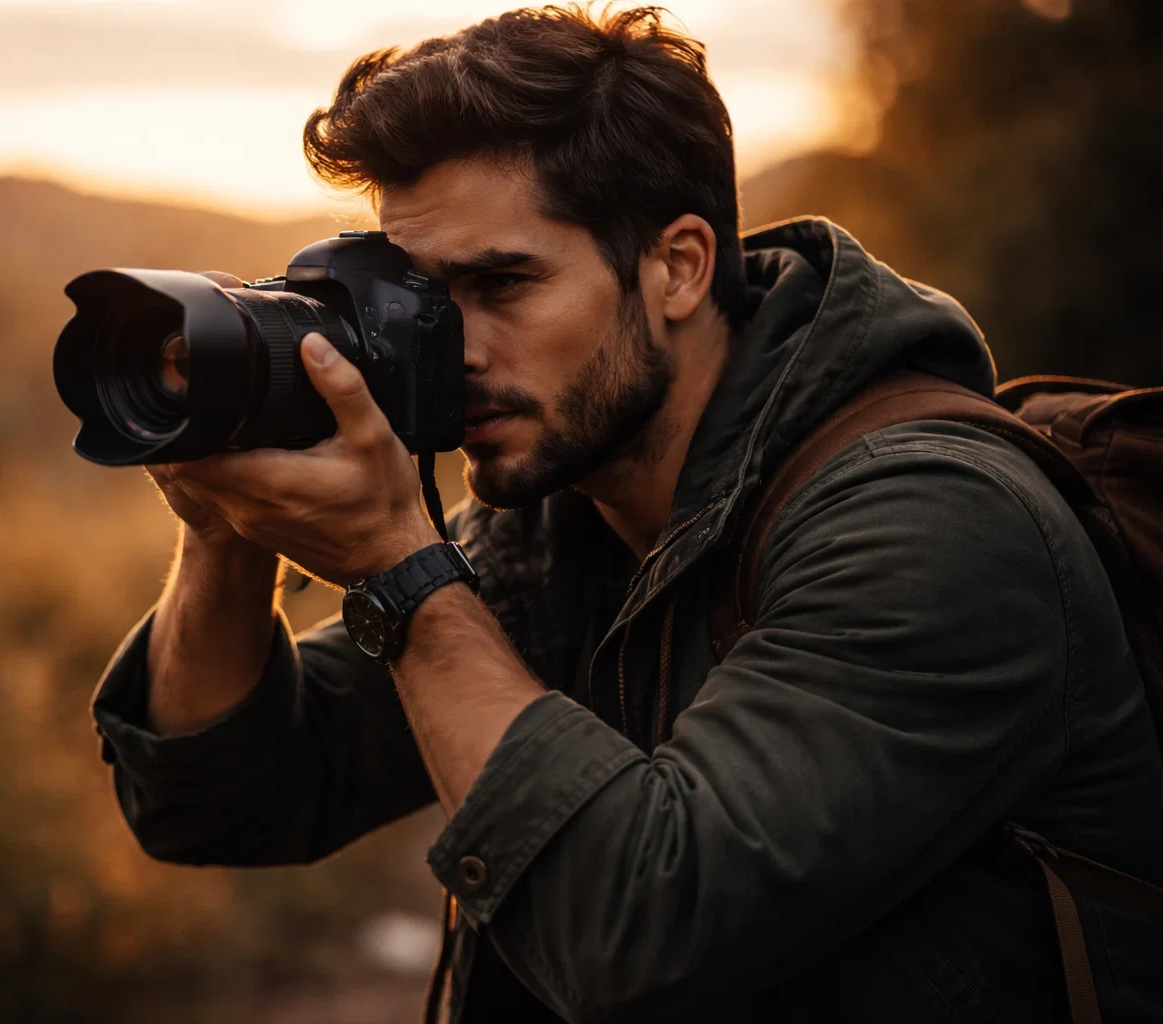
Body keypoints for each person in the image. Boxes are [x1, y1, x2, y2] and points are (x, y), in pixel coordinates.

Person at [90, 6, 1163, 1021]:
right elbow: (228, 794)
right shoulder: (557, 525)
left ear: (680, 268)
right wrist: (222, 530)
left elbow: (641, 933)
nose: (448, 350)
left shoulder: (935, 524)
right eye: (420, 301)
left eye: (500, 286)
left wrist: (400, 567)